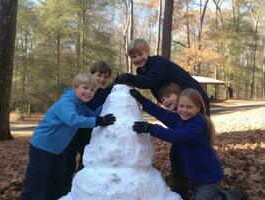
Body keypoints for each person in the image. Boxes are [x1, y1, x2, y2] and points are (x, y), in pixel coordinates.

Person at [130, 88, 248, 200]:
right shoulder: (180, 119)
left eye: (189, 107)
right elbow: (163, 114)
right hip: (196, 174)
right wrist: (143, 100)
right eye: (181, 106)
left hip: (209, 176)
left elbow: (177, 137)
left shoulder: (197, 126)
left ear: (198, 108)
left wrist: (151, 128)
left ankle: (230, 196)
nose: (184, 110)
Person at [20, 72, 116, 200]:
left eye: (92, 90)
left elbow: (91, 114)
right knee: (36, 181)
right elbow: (73, 120)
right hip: (42, 147)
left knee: (54, 182)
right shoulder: (66, 102)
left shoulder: (80, 104)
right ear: (75, 87)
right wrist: (99, 121)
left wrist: (110, 104)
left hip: (57, 150)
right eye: (85, 88)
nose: (88, 92)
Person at [115, 38, 210, 116]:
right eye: (133, 56)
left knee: (201, 130)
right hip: (180, 104)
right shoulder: (141, 71)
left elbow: (149, 81)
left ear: (147, 52)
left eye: (140, 54)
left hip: (196, 99)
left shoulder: (159, 63)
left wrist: (126, 77)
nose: (138, 59)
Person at [62, 61, 113, 195]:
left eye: (106, 76)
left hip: (90, 135)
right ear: (92, 75)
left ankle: (81, 191)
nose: (102, 79)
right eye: (99, 75)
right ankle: (64, 191)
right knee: (67, 165)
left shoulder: (105, 94)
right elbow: (86, 108)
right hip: (72, 134)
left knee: (86, 163)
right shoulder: (83, 92)